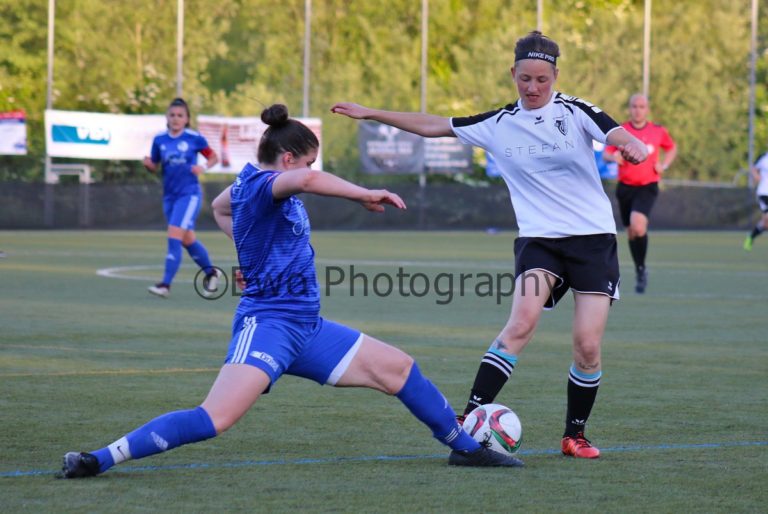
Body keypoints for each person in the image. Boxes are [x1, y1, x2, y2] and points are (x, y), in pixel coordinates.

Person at [59, 104, 523, 479]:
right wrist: (363, 193)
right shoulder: (265, 184)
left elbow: (222, 209)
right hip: (268, 325)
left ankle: (465, 449)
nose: (310, 171)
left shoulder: (246, 187)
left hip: (308, 327)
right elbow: (302, 182)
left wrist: (249, 251)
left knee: (399, 368)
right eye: (307, 161)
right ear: (287, 160)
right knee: (214, 419)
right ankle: (99, 458)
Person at [332, 30, 647, 459]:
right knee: (520, 324)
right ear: (512, 74)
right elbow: (432, 125)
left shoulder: (574, 111)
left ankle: (574, 434)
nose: (533, 88)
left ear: (555, 75)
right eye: (524, 79)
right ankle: (466, 422)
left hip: (593, 241)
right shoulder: (497, 124)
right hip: (540, 242)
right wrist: (371, 113)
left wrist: (632, 145)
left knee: (587, 346)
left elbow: (616, 134)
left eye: (542, 79)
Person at [143, 97, 221, 298]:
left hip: (189, 195)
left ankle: (165, 285)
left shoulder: (194, 138)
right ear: (167, 118)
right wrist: (149, 165)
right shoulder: (160, 140)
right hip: (169, 196)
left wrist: (202, 167)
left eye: (180, 115)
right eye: (172, 115)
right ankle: (211, 273)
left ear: (187, 119)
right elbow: (156, 165)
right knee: (187, 239)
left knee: (174, 236)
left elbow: (213, 157)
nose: (176, 119)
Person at [603, 94, 677, 293]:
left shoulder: (658, 131)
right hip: (625, 187)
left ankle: (641, 268)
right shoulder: (622, 131)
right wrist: (614, 156)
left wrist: (665, 164)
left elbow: (671, 148)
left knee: (638, 225)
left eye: (642, 106)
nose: (638, 110)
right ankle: (640, 269)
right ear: (630, 108)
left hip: (648, 186)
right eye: (634, 106)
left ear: (647, 109)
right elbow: (606, 153)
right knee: (632, 232)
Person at [743, 152, 768, 250]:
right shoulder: (763, 157)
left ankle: (751, 236)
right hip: (764, 193)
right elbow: (753, 167)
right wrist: (756, 176)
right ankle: (751, 237)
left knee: (766, 223)